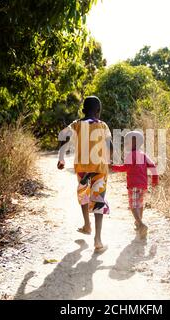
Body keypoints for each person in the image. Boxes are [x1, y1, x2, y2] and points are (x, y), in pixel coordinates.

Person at [57, 96, 112, 253]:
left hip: (82, 168)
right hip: (100, 168)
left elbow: (64, 139)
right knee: (98, 198)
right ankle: (98, 239)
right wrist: (111, 159)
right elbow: (109, 144)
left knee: (83, 193)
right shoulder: (103, 125)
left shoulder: (76, 124)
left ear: (83, 110)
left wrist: (61, 159)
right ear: (99, 111)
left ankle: (87, 225)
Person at [111, 131, 158, 238]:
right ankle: (138, 223)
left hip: (133, 185)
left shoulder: (130, 155)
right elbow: (153, 167)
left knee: (133, 205)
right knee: (140, 204)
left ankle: (141, 224)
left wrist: (113, 167)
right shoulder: (144, 155)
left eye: (127, 142)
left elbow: (125, 168)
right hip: (143, 185)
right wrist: (155, 181)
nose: (125, 144)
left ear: (134, 142)